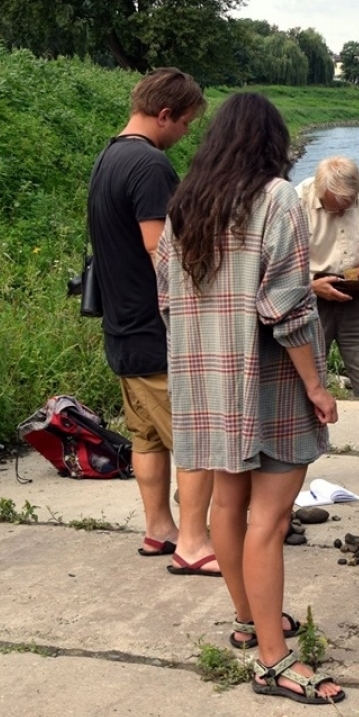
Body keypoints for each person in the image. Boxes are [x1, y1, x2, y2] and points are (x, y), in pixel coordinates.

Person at [156, 92, 344, 704]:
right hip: (269, 386)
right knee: (270, 520)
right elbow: (286, 307)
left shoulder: (185, 204)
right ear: (273, 142)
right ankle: (273, 660)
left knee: (229, 508)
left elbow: (166, 298)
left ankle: (248, 620)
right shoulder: (278, 198)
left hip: (205, 383)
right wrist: (316, 385)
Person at [87, 67, 218, 573]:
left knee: (147, 436)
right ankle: (194, 545)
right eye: (184, 123)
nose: (184, 133)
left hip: (121, 327)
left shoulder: (109, 157)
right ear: (165, 114)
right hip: (156, 330)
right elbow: (159, 248)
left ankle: (159, 528)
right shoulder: (150, 164)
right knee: (195, 440)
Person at [295, 157, 359, 497]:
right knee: (299, 381)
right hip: (312, 294)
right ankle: (289, 463)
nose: (340, 212)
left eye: (347, 206)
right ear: (318, 192)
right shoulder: (297, 199)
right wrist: (311, 285)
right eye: (332, 207)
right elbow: (279, 259)